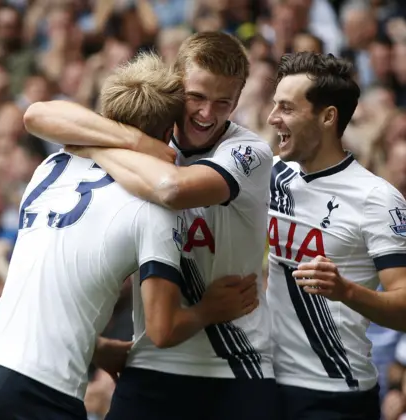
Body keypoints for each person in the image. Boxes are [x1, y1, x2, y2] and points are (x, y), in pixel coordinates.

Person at [0, 52, 258, 420]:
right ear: (167, 133)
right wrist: (209, 309)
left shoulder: (51, 165)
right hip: (40, 390)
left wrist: (95, 348)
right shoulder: (151, 207)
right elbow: (162, 329)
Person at [24, 31, 278, 420]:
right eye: (196, 97)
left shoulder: (250, 152)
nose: (207, 114)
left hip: (234, 364)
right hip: (151, 360)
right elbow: (37, 115)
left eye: (223, 102)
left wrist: (91, 146)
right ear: (178, 86)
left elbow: (171, 189)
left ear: (238, 101)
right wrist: (127, 142)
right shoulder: (145, 138)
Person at [265, 51, 406, 419]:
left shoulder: (377, 198)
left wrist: (345, 290)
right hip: (268, 384)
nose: (273, 119)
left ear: (327, 116)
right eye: (274, 106)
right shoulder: (271, 175)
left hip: (335, 392)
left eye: (286, 108)